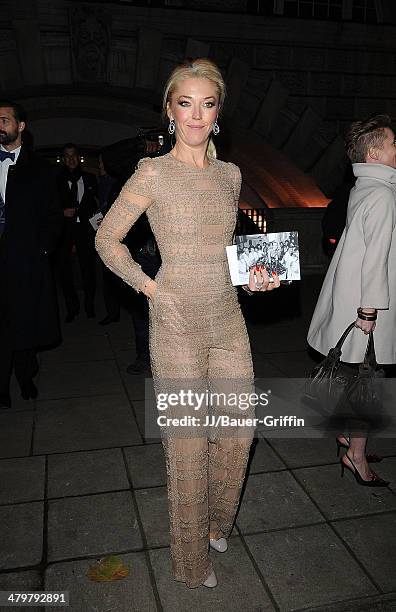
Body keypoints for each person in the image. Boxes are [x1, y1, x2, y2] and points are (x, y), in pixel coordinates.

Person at [96, 58, 280, 589]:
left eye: (208, 103)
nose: (196, 114)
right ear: (170, 111)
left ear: (218, 112)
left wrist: (253, 276)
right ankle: (189, 559)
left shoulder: (230, 175)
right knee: (187, 442)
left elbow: (224, 247)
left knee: (238, 430)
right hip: (175, 321)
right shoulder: (152, 172)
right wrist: (153, 289)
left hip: (227, 317)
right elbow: (107, 240)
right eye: (186, 103)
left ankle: (217, 523)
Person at [307, 113, 396, 487]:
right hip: (368, 307)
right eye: (393, 143)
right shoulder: (383, 194)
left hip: (354, 297)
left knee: (359, 379)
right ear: (375, 152)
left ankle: (348, 437)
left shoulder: (364, 188)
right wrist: (369, 310)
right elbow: (376, 256)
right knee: (369, 385)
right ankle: (355, 457)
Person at [0, 100, 62, 408]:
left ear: (20, 126)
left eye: (5, 120)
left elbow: (53, 215)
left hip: (25, 260)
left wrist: (43, 248)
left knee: (24, 322)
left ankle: (26, 378)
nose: (0, 125)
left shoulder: (40, 169)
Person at [56, 143, 99, 322]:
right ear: (63, 159)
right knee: (65, 272)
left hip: (85, 232)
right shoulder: (55, 179)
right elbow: (46, 207)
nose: (71, 159)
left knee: (88, 271)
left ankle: (89, 305)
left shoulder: (90, 179)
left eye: (74, 155)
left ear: (79, 158)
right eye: (68, 156)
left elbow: (96, 205)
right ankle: (72, 308)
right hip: (64, 232)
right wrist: (61, 212)